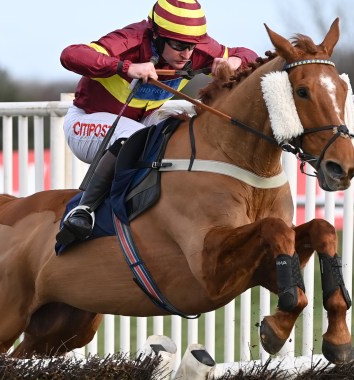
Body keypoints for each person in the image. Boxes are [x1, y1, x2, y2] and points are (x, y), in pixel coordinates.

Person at [56, 0, 259, 248]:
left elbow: (249, 55)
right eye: (178, 46)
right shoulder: (130, 39)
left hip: (143, 120)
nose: (187, 54)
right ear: (156, 36)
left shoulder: (198, 49)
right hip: (87, 122)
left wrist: (237, 62)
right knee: (137, 136)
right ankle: (83, 210)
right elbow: (70, 54)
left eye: (192, 47)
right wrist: (125, 67)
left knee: (185, 127)